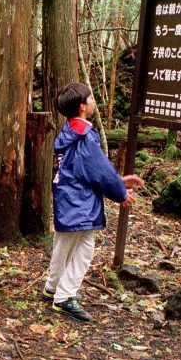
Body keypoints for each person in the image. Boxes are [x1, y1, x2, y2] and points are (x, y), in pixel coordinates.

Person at [43, 83, 144, 323]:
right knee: (84, 249)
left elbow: (86, 168)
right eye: (90, 98)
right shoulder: (85, 136)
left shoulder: (70, 131)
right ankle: (65, 297)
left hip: (68, 196)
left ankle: (53, 287)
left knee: (64, 244)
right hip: (79, 201)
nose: (93, 100)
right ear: (82, 107)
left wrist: (119, 181)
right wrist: (120, 191)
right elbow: (98, 170)